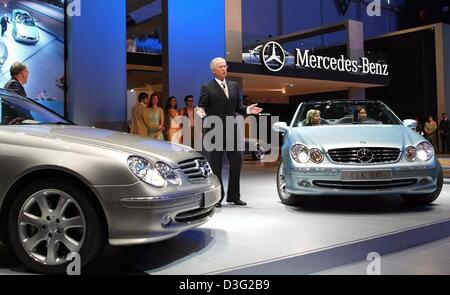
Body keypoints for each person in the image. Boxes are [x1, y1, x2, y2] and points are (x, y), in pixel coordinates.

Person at [197, 57, 262, 207]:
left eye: (225, 66)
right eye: (220, 67)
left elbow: (238, 106)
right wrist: (201, 114)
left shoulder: (233, 86)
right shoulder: (207, 87)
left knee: (237, 162)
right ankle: (218, 198)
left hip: (232, 130)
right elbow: (202, 106)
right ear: (213, 70)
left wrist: (247, 109)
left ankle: (233, 196)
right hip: (215, 131)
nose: (224, 69)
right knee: (216, 165)